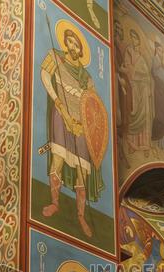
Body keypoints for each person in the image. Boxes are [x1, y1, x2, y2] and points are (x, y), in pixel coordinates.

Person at [38, 26, 105, 237]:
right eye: (71, 42)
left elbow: (93, 106)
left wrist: (86, 124)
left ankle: (81, 216)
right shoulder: (55, 57)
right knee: (58, 158)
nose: (74, 47)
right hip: (61, 115)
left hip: (81, 125)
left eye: (77, 44)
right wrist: (58, 102)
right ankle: (55, 202)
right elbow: (44, 75)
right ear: (65, 43)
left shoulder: (86, 77)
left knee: (82, 171)